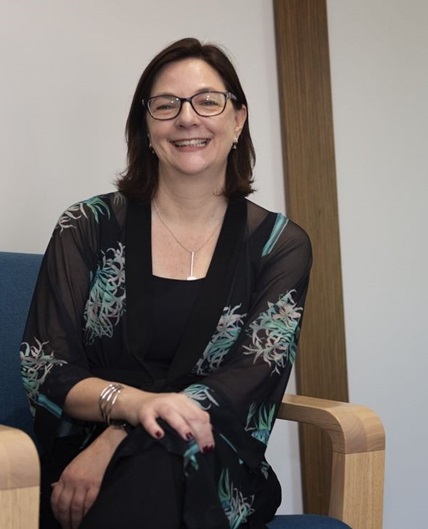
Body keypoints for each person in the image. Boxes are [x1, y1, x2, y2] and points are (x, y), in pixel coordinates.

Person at [20, 37, 312, 529]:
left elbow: (250, 379)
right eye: (166, 105)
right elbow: (46, 367)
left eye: (208, 101)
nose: (187, 118)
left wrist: (122, 433)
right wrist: (134, 405)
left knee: (161, 469)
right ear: (146, 126)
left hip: (213, 460)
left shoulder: (279, 246)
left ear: (238, 120)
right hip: (80, 461)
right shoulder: (86, 227)